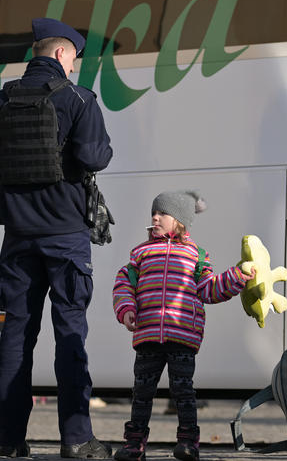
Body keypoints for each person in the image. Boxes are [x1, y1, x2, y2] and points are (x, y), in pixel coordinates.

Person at [0, 18, 113, 458]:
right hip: (66, 236)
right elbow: (92, 157)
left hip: (18, 239)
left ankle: (9, 440)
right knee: (70, 337)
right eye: (74, 60)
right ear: (63, 55)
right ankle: (76, 439)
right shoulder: (79, 99)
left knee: (15, 337)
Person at [111, 190, 254, 461]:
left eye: (162, 213)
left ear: (180, 221)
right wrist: (126, 309)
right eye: (153, 212)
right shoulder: (140, 253)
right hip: (148, 335)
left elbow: (209, 290)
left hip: (182, 336)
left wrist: (237, 276)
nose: (155, 217)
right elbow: (124, 284)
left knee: (183, 391)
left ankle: (188, 442)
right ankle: (134, 444)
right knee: (141, 392)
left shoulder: (196, 255)